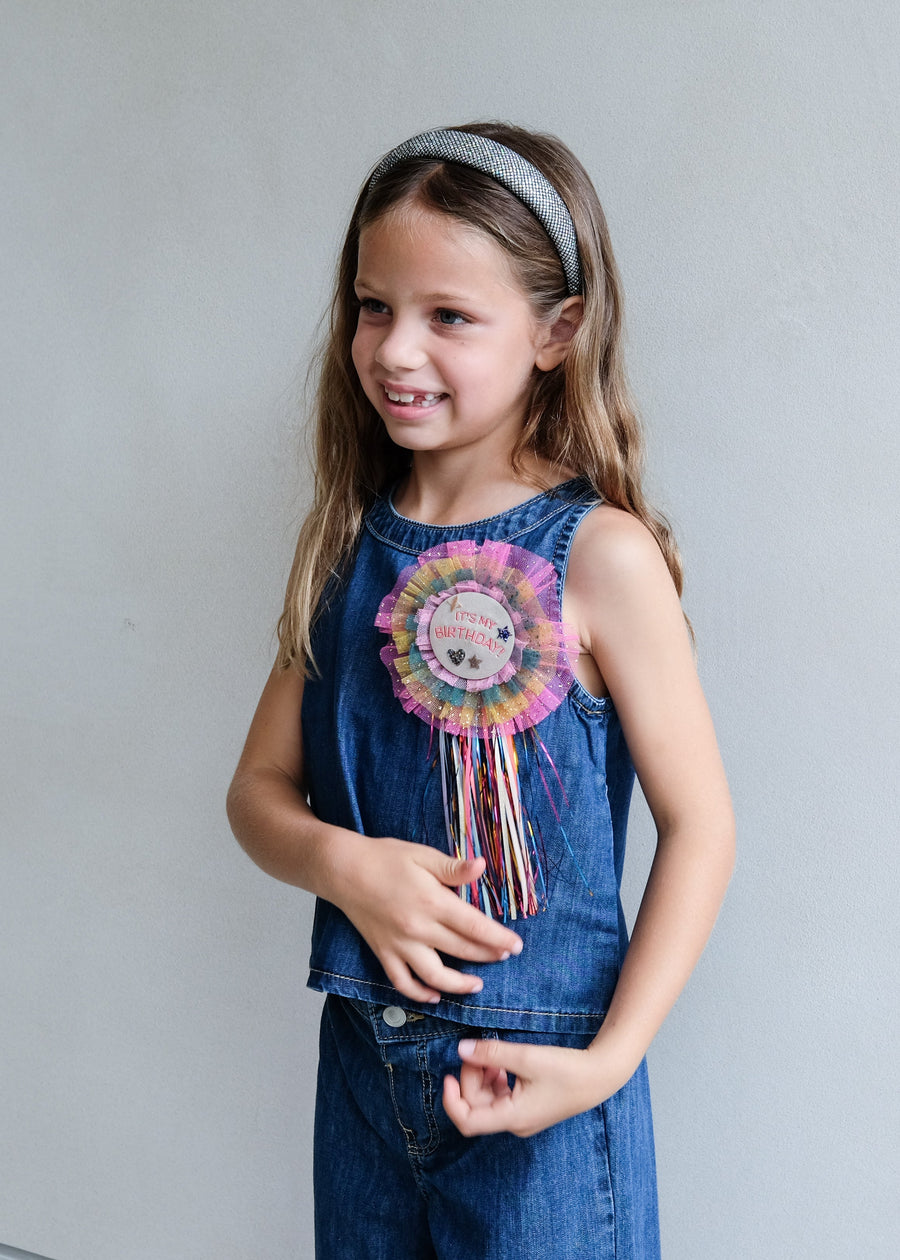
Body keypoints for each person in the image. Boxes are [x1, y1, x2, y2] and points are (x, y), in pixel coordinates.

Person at [227, 122, 735, 1258]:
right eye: (373, 306)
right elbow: (257, 790)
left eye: (448, 316)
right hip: (364, 1081)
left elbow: (701, 826)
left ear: (558, 331)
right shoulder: (349, 547)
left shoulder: (600, 558)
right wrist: (339, 863)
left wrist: (607, 1063)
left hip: (542, 1100)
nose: (396, 350)